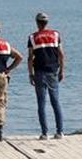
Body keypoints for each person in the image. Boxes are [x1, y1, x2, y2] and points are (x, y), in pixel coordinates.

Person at [27, 12, 65, 140]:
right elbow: (61, 54)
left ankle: (44, 133)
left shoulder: (33, 37)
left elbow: (30, 58)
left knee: (41, 103)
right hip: (53, 71)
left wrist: (30, 74)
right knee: (56, 102)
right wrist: (62, 71)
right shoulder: (55, 35)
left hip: (39, 72)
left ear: (37, 23)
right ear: (47, 22)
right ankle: (60, 132)